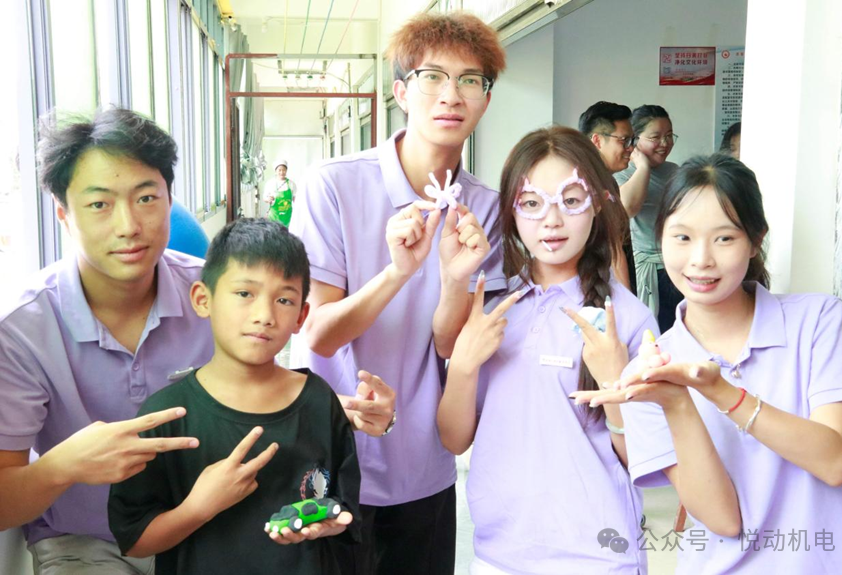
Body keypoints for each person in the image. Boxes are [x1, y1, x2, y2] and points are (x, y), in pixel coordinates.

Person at [291, 11, 507, 574]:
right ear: (401, 92)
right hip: (331, 458)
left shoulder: (486, 208)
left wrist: (454, 278)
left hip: (423, 464)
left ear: (486, 99)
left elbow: (452, 346)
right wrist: (398, 272)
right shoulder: (333, 184)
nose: (451, 95)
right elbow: (318, 333)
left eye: (470, 80)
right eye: (433, 77)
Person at [576, 154, 842, 573]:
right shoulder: (651, 370)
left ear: (755, 240)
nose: (701, 260)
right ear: (660, 238)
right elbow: (722, 520)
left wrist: (722, 393)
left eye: (724, 238)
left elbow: (835, 462)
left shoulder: (820, 321)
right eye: (682, 237)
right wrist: (677, 403)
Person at [0, 108, 214, 573]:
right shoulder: (22, 329)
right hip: (84, 540)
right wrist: (65, 466)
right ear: (64, 215)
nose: (128, 226)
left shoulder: (215, 294)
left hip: (209, 526)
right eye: (99, 204)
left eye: (146, 198)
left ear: (170, 200)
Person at [437, 126, 658, 574]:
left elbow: (646, 462)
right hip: (499, 556)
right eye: (532, 203)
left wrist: (614, 384)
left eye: (571, 200)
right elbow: (455, 439)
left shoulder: (628, 319)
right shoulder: (495, 310)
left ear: (598, 202)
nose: (551, 221)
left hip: (598, 559)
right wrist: (461, 366)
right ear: (511, 211)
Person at [108, 218, 361, 574]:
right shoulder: (167, 416)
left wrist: (329, 524)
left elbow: (343, 507)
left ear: (301, 316)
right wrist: (198, 508)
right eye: (245, 294)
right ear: (203, 299)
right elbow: (134, 540)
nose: (265, 315)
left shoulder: (320, 400)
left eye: (284, 299)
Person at [615, 104, 682, 332]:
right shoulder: (622, 173)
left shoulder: (675, 171)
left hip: (676, 266)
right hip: (643, 270)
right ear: (635, 139)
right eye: (655, 137)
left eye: (669, 136)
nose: (665, 143)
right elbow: (627, 209)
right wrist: (642, 167)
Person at [579, 100, 639, 291]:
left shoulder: (607, 181)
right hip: (599, 289)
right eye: (624, 140)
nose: (631, 148)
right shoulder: (586, 186)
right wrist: (626, 301)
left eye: (632, 140)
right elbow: (614, 250)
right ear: (597, 140)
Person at [264, 159, 295, 226]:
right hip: (274, 217)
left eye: (284, 170)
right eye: (279, 170)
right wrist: (268, 199)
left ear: (286, 171)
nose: (282, 172)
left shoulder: (291, 183)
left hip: (288, 217)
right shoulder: (270, 183)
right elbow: (265, 198)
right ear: (275, 171)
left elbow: (295, 199)